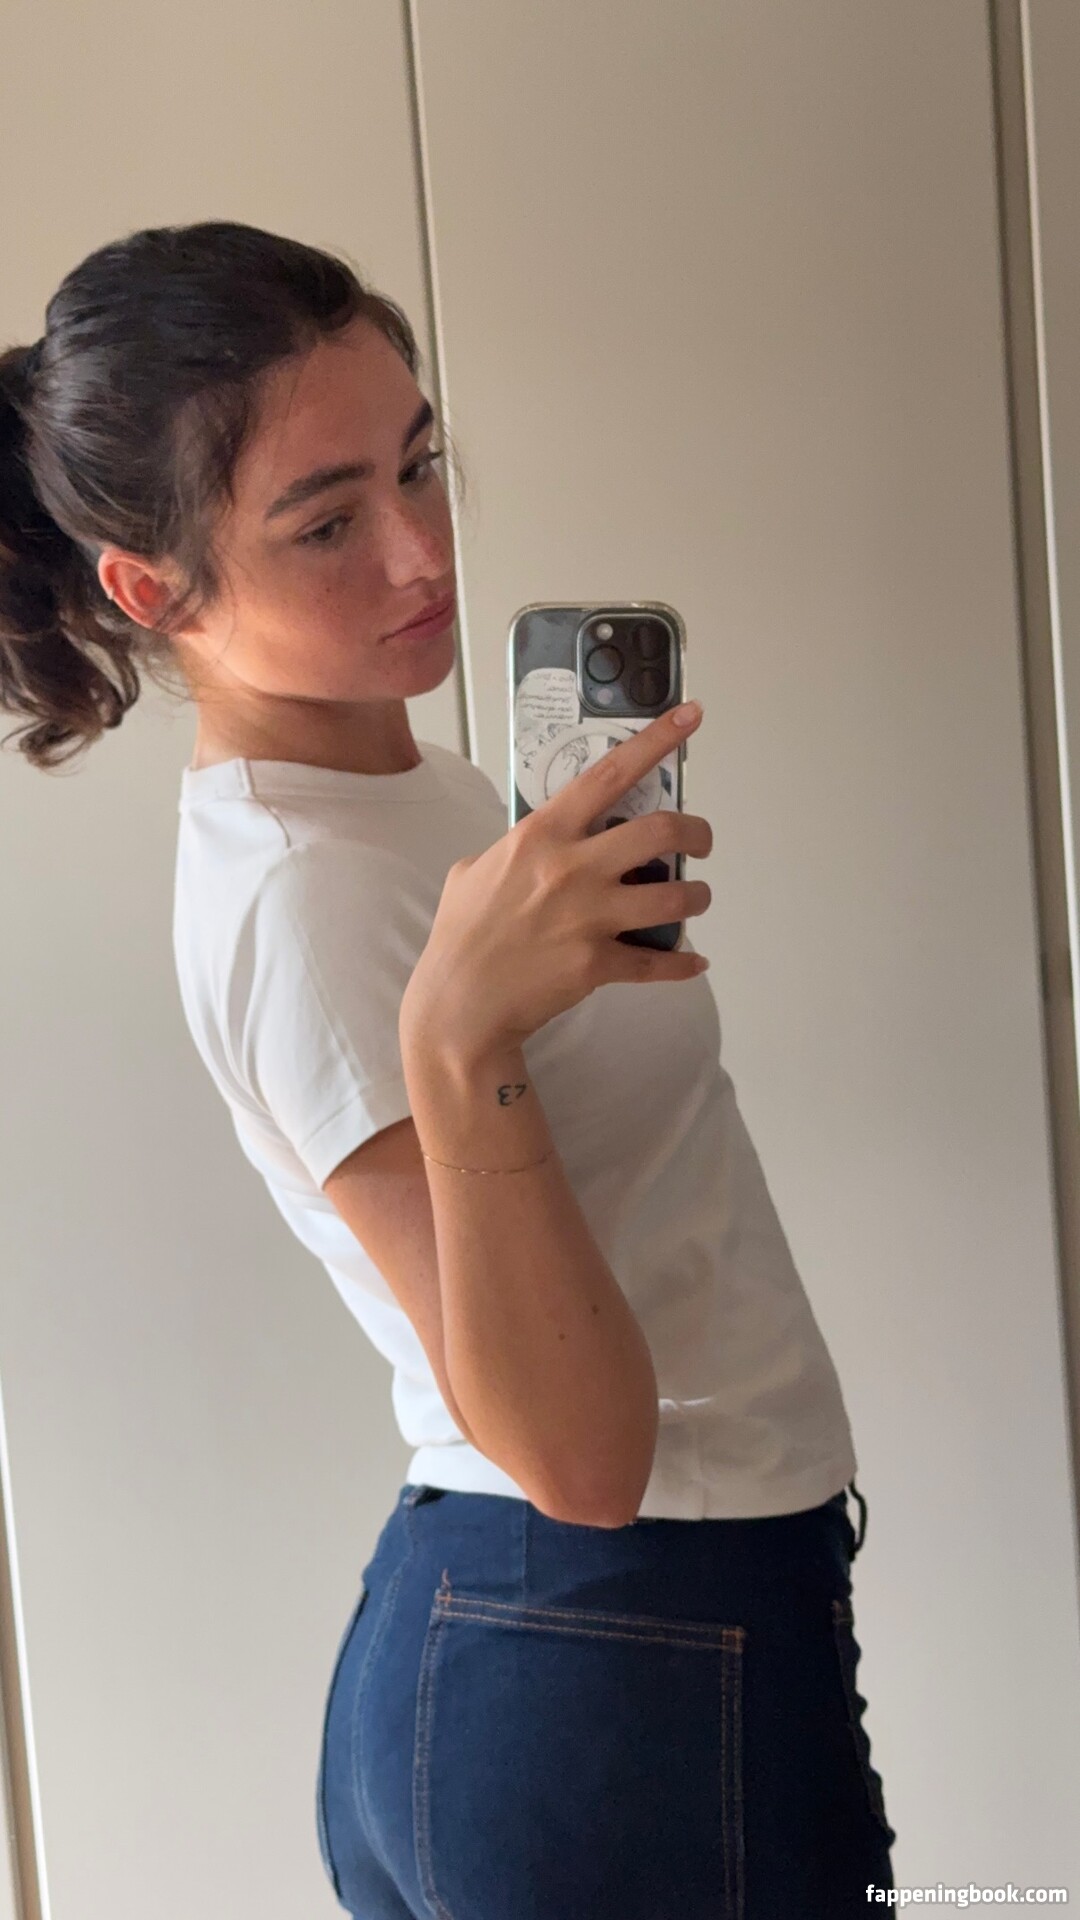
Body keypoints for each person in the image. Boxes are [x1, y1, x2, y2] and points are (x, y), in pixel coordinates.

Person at [0, 220, 896, 1916]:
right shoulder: (305, 891)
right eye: (328, 521)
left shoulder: (419, 798)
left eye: (419, 464)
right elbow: (582, 1460)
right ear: (151, 589)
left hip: (596, 1637)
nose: (423, 552)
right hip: (613, 1644)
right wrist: (458, 1032)